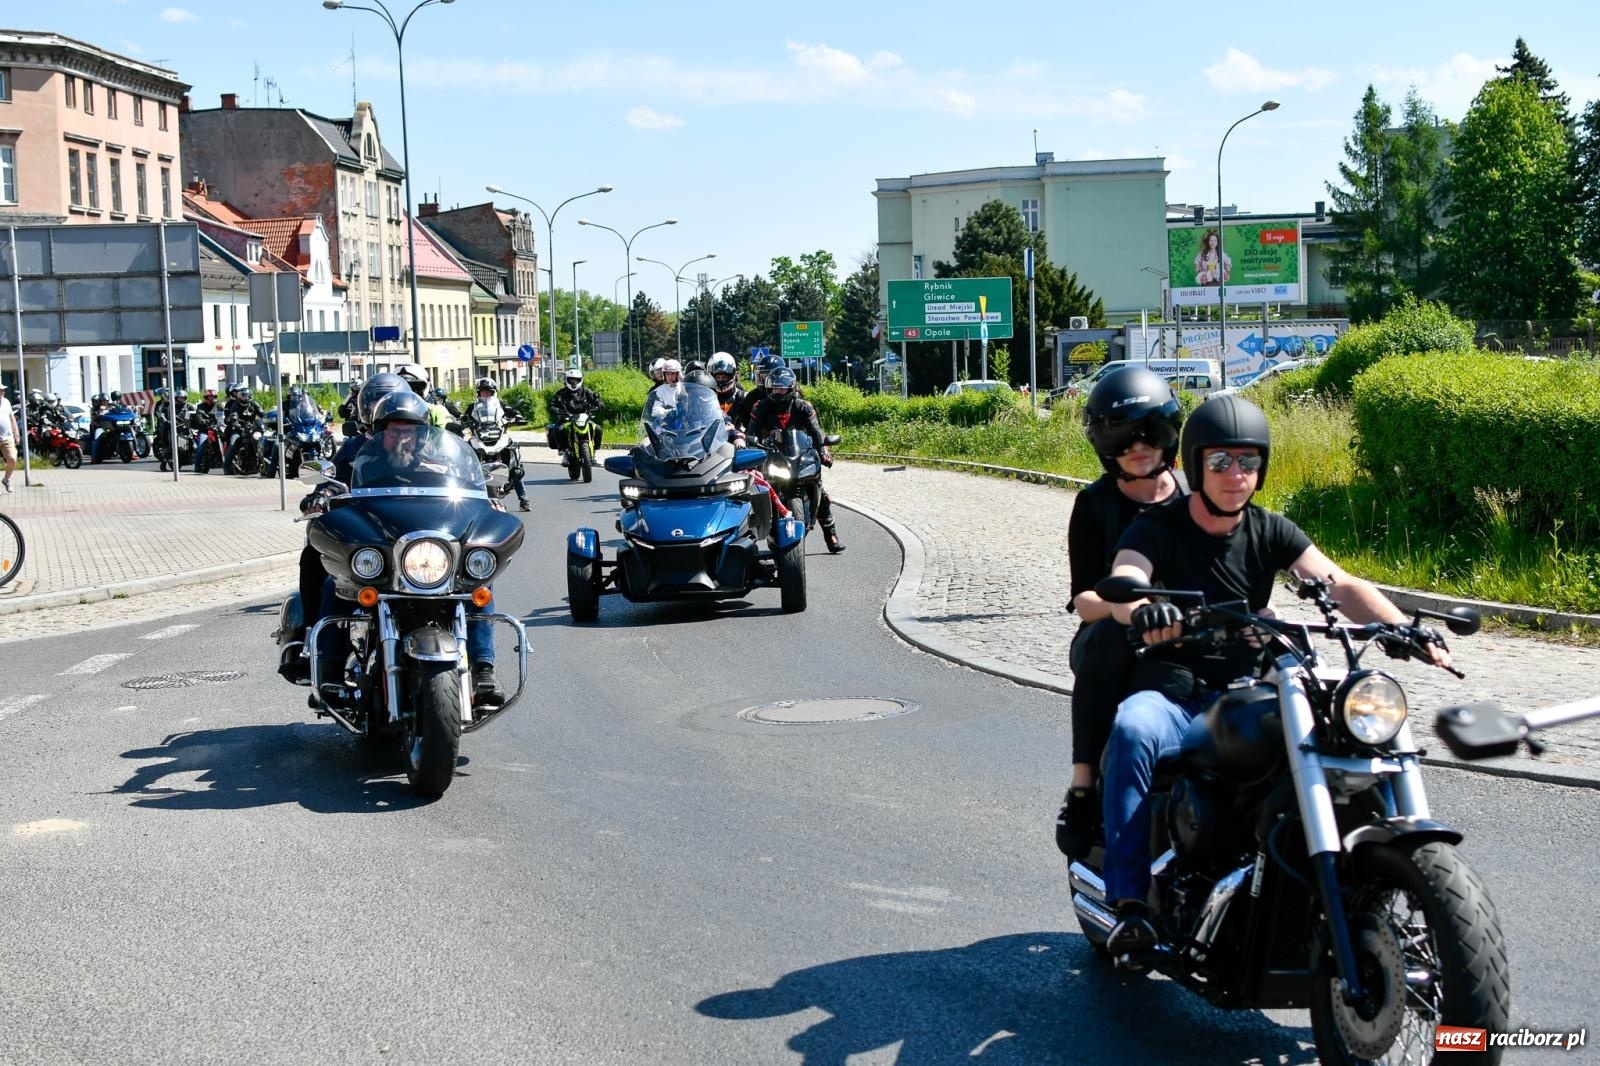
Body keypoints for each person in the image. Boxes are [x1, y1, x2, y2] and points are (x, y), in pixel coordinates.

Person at [1097, 394, 1450, 958]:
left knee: (1339, 733)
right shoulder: (1156, 528)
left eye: (1248, 461)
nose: (1235, 474)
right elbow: (1126, 580)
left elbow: (1339, 583)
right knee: (1133, 729)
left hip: (1252, 692)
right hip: (1176, 695)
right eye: (1220, 462)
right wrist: (1145, 610)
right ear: (1196, 464)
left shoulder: (1270, 529)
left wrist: (1403, 627)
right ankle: (1130, 902)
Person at [1054, 368, 1186, 860]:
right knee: (1107, 637)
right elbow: (1083, 600)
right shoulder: (1095, 504)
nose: (1138, 447)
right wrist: (1129, 610)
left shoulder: (1196, 497)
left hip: (1191, 633)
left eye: (1149, 433)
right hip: (1116, 636)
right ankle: (1083, 785)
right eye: (1123, 437)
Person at [744, 366, 845, 553]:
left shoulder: (804, 406)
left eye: (782, 388)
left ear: (791, 388)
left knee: (821, 492)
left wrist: (824, 452)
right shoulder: (760, 406)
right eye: (774, 388)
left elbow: (817, 431)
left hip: (800, 454)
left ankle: (831, 535)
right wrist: (750, 449)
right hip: (772, 455)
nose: (778, 392)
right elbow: (752, 433)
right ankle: (750, 538)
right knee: (753, 492)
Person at [467, 377, 528, 511]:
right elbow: (463, 417)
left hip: (499, 435)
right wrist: (461, 421)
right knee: (465, 453)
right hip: (479, 437)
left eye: (488, 392)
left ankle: (523, 499)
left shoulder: (501, 404)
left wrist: (517, 416)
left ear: (493, 392)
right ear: (478, 393)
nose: (485, 394)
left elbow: (512, 411)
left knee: (515, 464)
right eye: (483, 392)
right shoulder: (473, 407)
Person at [548, 368, 604, 460]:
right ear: (567, 380)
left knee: (598, 429)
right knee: (558, 429)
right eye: (571, 380)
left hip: (584, 417)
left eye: (576, 380)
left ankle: (594, 451)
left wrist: (599, 404)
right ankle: (564, 450)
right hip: (566, 418)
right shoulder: (561, 393)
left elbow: (595, 400)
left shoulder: (586, 391)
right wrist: (558, 411)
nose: (574, 382)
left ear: (580, 380)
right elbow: (553, 405)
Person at [222, 384, 263, 475]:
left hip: (252, 428)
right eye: (242, 395)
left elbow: (261, 413)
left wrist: (267, 420)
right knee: (233, 443)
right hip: (239, 429)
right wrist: (236, 423)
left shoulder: (253, 403)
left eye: (246, 395)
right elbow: (234, 415)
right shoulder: (235, 404)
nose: (245, 397)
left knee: (263, 440)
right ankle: (226, 467)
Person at [707, 351, 744, 418]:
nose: (721, 380)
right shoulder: (707, 397)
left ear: (732, 376)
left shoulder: (741, 397)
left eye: (724, 377)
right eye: (718, 377)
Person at [0, 386, 17, 492]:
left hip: (7, 437)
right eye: (0, 390)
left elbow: (12, 418)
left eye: (3, 390)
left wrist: (16, 434)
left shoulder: (6, 402)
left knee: (12, 459)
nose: (3, 392)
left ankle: (6, 479)